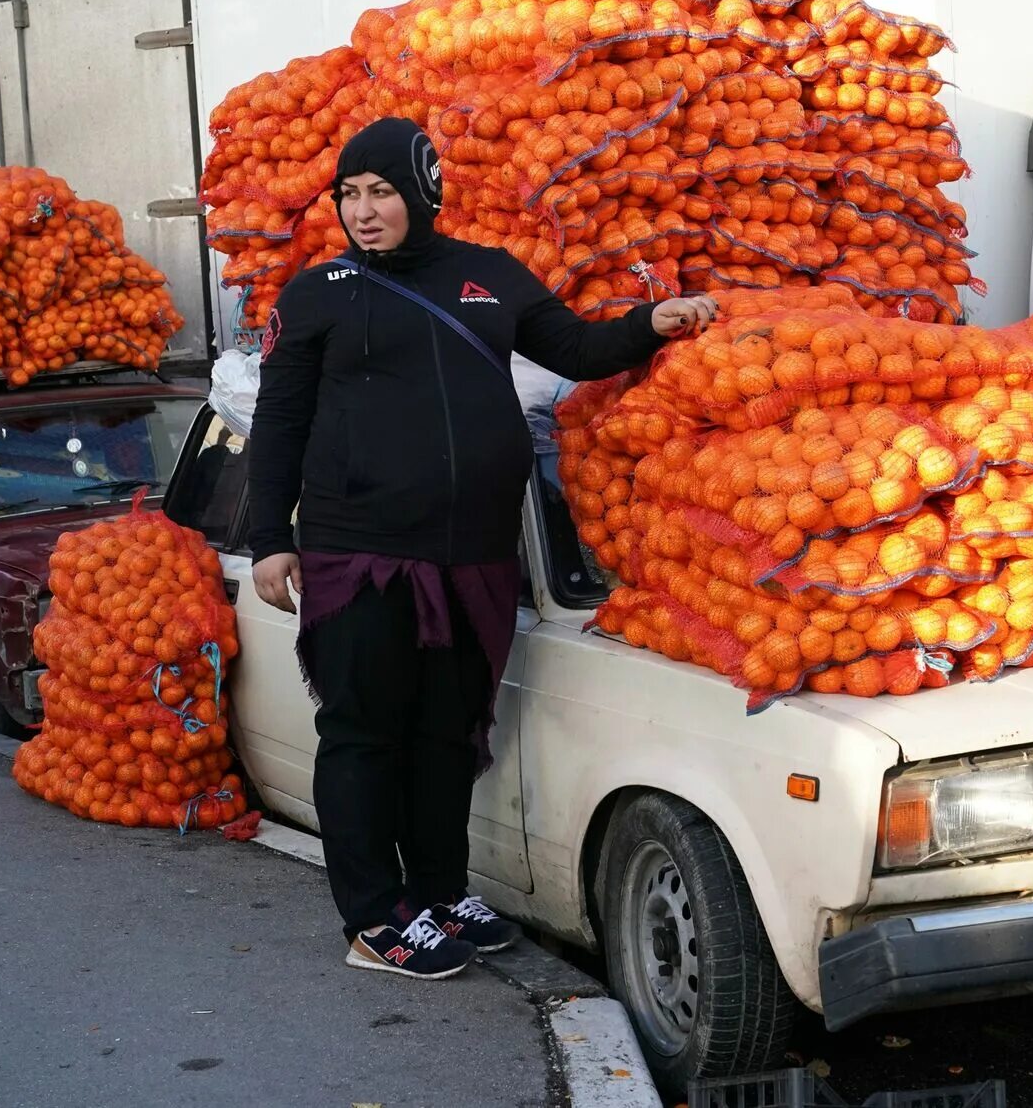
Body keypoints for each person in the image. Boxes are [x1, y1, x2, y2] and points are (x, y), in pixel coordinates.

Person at [246, 117, 716, 980]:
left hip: (472, 557)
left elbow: (576, 347)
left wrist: (655, 321)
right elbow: (279, 422)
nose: (363, 210)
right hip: (361, 555)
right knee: (364, 733)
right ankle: (374, 917)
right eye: (348, 195)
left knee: (447, 732)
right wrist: (271, 538)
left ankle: (437, 891)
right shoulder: (318, 293)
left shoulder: (487, 276)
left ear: (423, 191)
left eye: (381, 191)